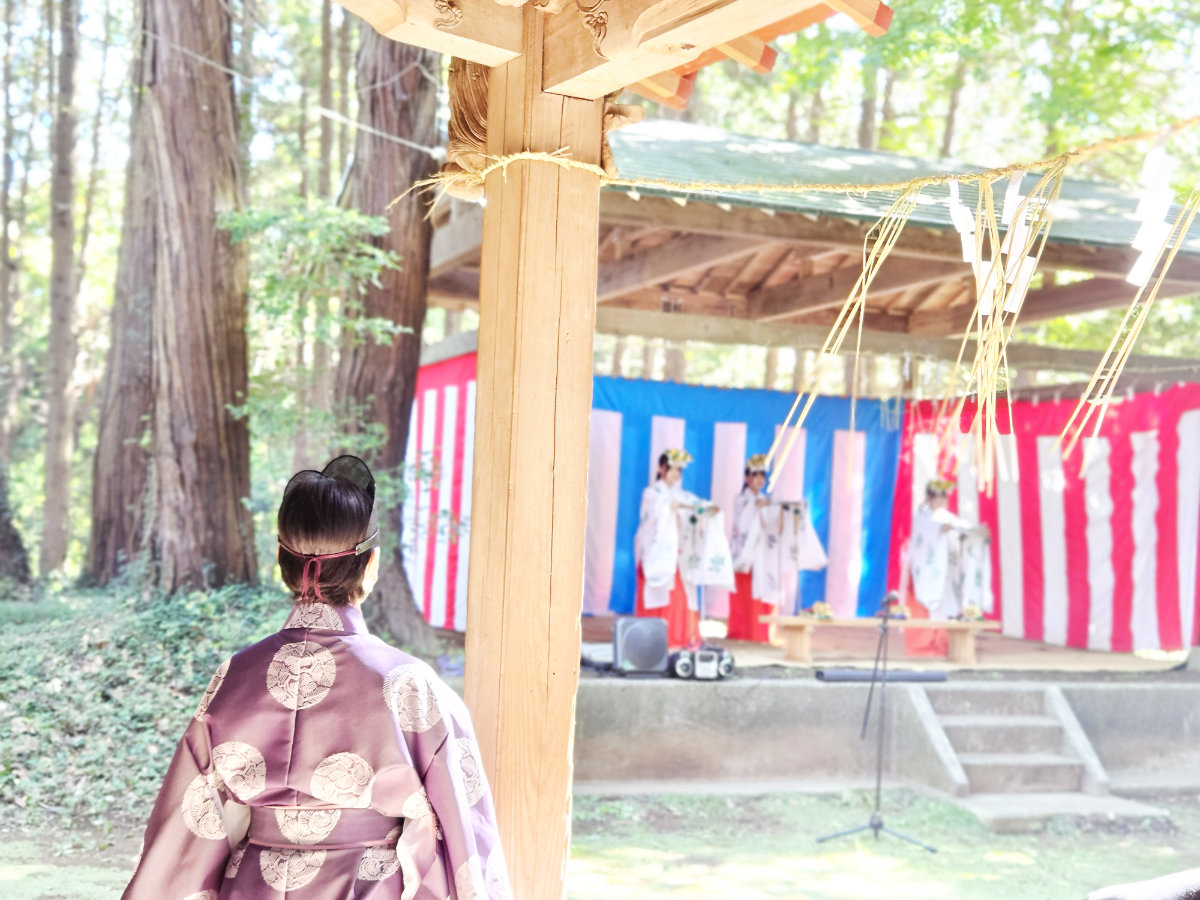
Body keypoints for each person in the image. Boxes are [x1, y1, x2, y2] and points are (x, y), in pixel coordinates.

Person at [123, 456, 510, 900]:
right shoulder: (407, 684)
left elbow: (188, 820)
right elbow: (463, 829)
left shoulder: (235, 676)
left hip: (253, 886)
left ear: (281, 561)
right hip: (366, 885)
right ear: (372, 564)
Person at [633, 448, 730, 648]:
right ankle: (655, 640)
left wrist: (710, 509)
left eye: (679, 470)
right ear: (661, 468)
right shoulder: (651, 493)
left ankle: (680, 637)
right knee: (660, 594)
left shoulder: (682, 495)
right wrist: (668, 509)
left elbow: (696, 504)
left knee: (681, 596)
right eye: (671, 468)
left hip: (678, 555)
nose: (675, 473)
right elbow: (651, 516)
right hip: (658, 553)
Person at [727, 454, 827, 642]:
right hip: (746, 554)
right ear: (746, 478)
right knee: (745, 594)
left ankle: (764, 633)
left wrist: (792, 509)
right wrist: (759, 506)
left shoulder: (768, 499)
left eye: (762, 476)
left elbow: (776, 524)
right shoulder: (740, 499)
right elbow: (743, 522)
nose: (758, 480)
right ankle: (742, 632)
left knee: (765, 591)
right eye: (754, 475)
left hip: (763, 554)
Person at [906, 478, 991, 657]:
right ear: (928, 498)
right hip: (927, 572)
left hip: (947, 572)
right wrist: (946, 529)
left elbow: (961, 528)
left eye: (942, 498)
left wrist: (974, 533)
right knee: (931, 606)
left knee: (949, 606)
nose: (939, 501)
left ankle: (945, 645)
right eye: (935, 497)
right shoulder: (922, 517)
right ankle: (924, 647)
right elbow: (932, 530)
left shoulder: (948, 517)